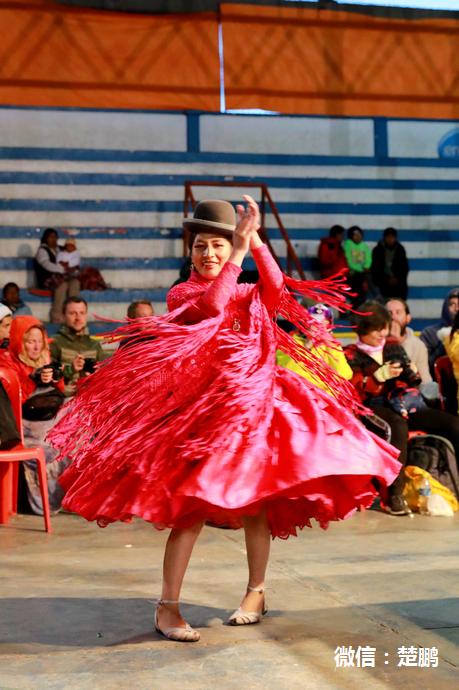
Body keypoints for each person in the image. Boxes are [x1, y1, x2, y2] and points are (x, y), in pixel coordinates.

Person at [48, 196, 400, 643]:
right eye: (201, 246)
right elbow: (212, 308)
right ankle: (167, 607)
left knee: (256, 507)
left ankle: (256, 592)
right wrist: (236, 248)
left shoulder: (246, 290)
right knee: (189, 512)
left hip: (253, 409)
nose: (209, 254)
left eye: (217, 245)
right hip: (202, 414)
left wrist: (253, 241)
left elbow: (275, 291)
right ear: (190, 252)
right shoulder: (183, 293)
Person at [344, 302, 459, 516]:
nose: (382, 333)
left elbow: (412, 380)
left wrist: (411, 373)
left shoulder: (392, 345)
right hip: (372, 407)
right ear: (362, 329)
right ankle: (393, 494)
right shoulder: (350, 354)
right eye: (376, 328)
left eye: (384, 327)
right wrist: (377, 378)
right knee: (397, 428)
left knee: (453, 424)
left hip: (404, 402)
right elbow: (353, 390)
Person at [0, 316, 67, 514]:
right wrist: (32, 378)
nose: (36, 347)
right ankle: (42, 503)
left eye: (40, 341)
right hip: (21, 425)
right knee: (52, 448)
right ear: (19, 340)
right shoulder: (6, 360)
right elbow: (14, 403)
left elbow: (58, 395)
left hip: (44, 420)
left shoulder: (45, 358)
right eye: (30, 341)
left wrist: (55, 378)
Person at [50, 297, 105, 397]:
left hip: (90, 397)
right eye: (72, 313)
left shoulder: (94, 344)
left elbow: (104, 375)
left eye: (82, 313)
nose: (78, 318)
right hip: (64, 398)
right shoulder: (54, 342)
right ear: (63, 316)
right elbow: (50, 377)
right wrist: (71, 369)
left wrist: (96, 375)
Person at [34, 228, 80, 323]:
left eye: (55, 237)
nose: (53, 239)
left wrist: (71, 270)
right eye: (51, 237)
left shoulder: (60, 249)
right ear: (45, 238)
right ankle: (56, 315)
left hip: (63, 277)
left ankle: (73, 312)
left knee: (75, 283)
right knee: (62, 285)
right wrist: (63, 269)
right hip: (47, 279)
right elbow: (46, 265)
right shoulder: (42, 251)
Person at [385, 298, 433, 385]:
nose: (393, 317)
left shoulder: (418, 345)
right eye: (389, 313)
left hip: (409, 394)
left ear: (408, 318)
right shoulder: (375, 341)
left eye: (398, 312)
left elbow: (425, 380)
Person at [421, 288, 459, 378]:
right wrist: (445, 344)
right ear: (445, 308)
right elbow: (424, 366)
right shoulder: (430, 333)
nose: (457, 308)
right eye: (452, 304)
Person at [371, 228, 409, 300]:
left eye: (392, 237)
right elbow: (375, 269)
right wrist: (386, 279)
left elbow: (404, 268)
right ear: (384, 237)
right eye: (388, 237)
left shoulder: (400, 250)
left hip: (399, 287)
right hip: (383, 286)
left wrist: (397, 279)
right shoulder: (378, 250)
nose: (390, 239)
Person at [343, 226, 372, 307]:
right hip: (352, 274)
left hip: (363, 273)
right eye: (355, 235)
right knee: (353, 293)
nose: (358, 237)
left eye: (359, 234)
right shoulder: (348, 244)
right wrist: (359, 269)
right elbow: (347, 259)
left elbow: (368, 258)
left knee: (363, 292)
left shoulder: (364, 246)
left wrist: (367, 266)